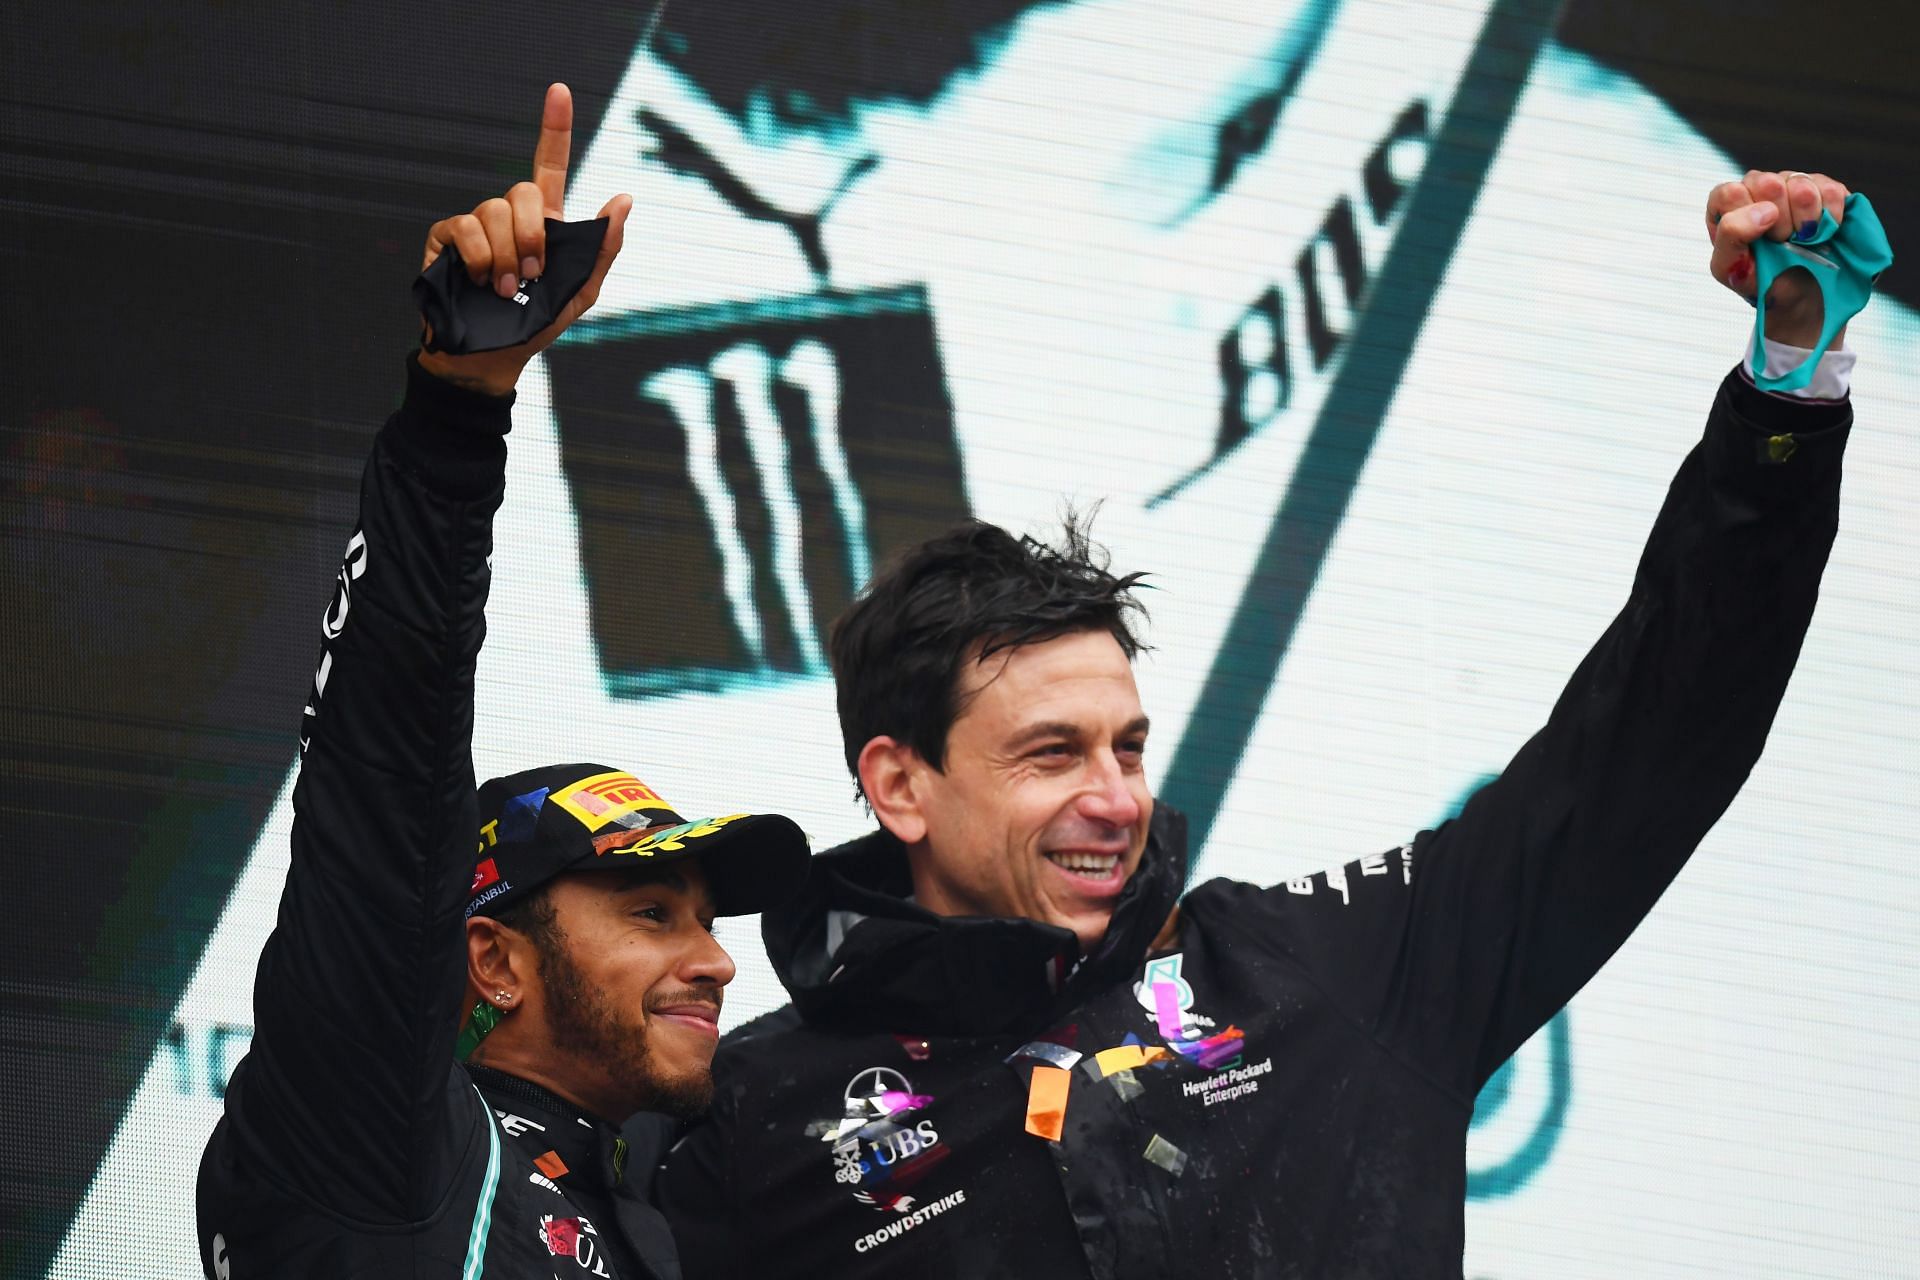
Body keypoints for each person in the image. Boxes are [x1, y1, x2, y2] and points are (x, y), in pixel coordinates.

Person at [644, 168, 1872, 1277]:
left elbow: (1657, 738)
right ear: (901, 783)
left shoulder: (1332, 967)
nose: (1118, 796)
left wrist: (1785, 400)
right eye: (1050, 752)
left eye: (1126, 743)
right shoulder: (754, 1121)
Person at [194, 84, 810, 1279]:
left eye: (700, 915)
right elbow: (383, 784)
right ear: (491, 960)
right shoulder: (385, 1143)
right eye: (650, 910)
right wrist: (456, 415)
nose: (721, 957)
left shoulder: (655, 1214)